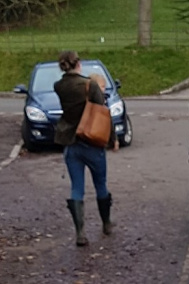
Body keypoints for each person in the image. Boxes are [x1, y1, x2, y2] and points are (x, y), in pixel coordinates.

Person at [53, 51, 113, 247]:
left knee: (76, 187)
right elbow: (103, 112)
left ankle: (80, 233)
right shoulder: (90, 85)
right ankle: (106, 223)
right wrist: (112, 139)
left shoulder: (59, 86)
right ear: (78, 63)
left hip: (71, 142)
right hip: (92, 142)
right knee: (100, 184)